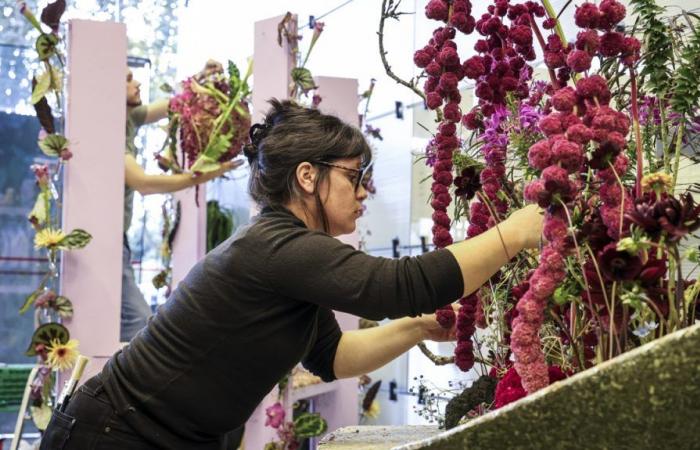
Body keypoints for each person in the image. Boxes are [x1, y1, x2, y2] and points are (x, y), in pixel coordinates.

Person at [40, 100, 544, 449]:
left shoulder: (286, 253)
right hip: (114, 434)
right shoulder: (276, 246)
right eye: (354, 177)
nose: (365, 193)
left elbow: (333, 357)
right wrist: (514, 233)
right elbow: (396, 286)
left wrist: (419, 328)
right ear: (308, 176)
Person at [120, 63, 241, 342]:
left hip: (119, 240)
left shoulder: (130, 117)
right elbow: (145, 183)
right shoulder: (111, 133)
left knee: (133, 323)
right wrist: (200, 176)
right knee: (137, 322)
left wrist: (201, 80)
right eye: (128, 79)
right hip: (109, 242)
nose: (137, 83)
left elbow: (173, 105)